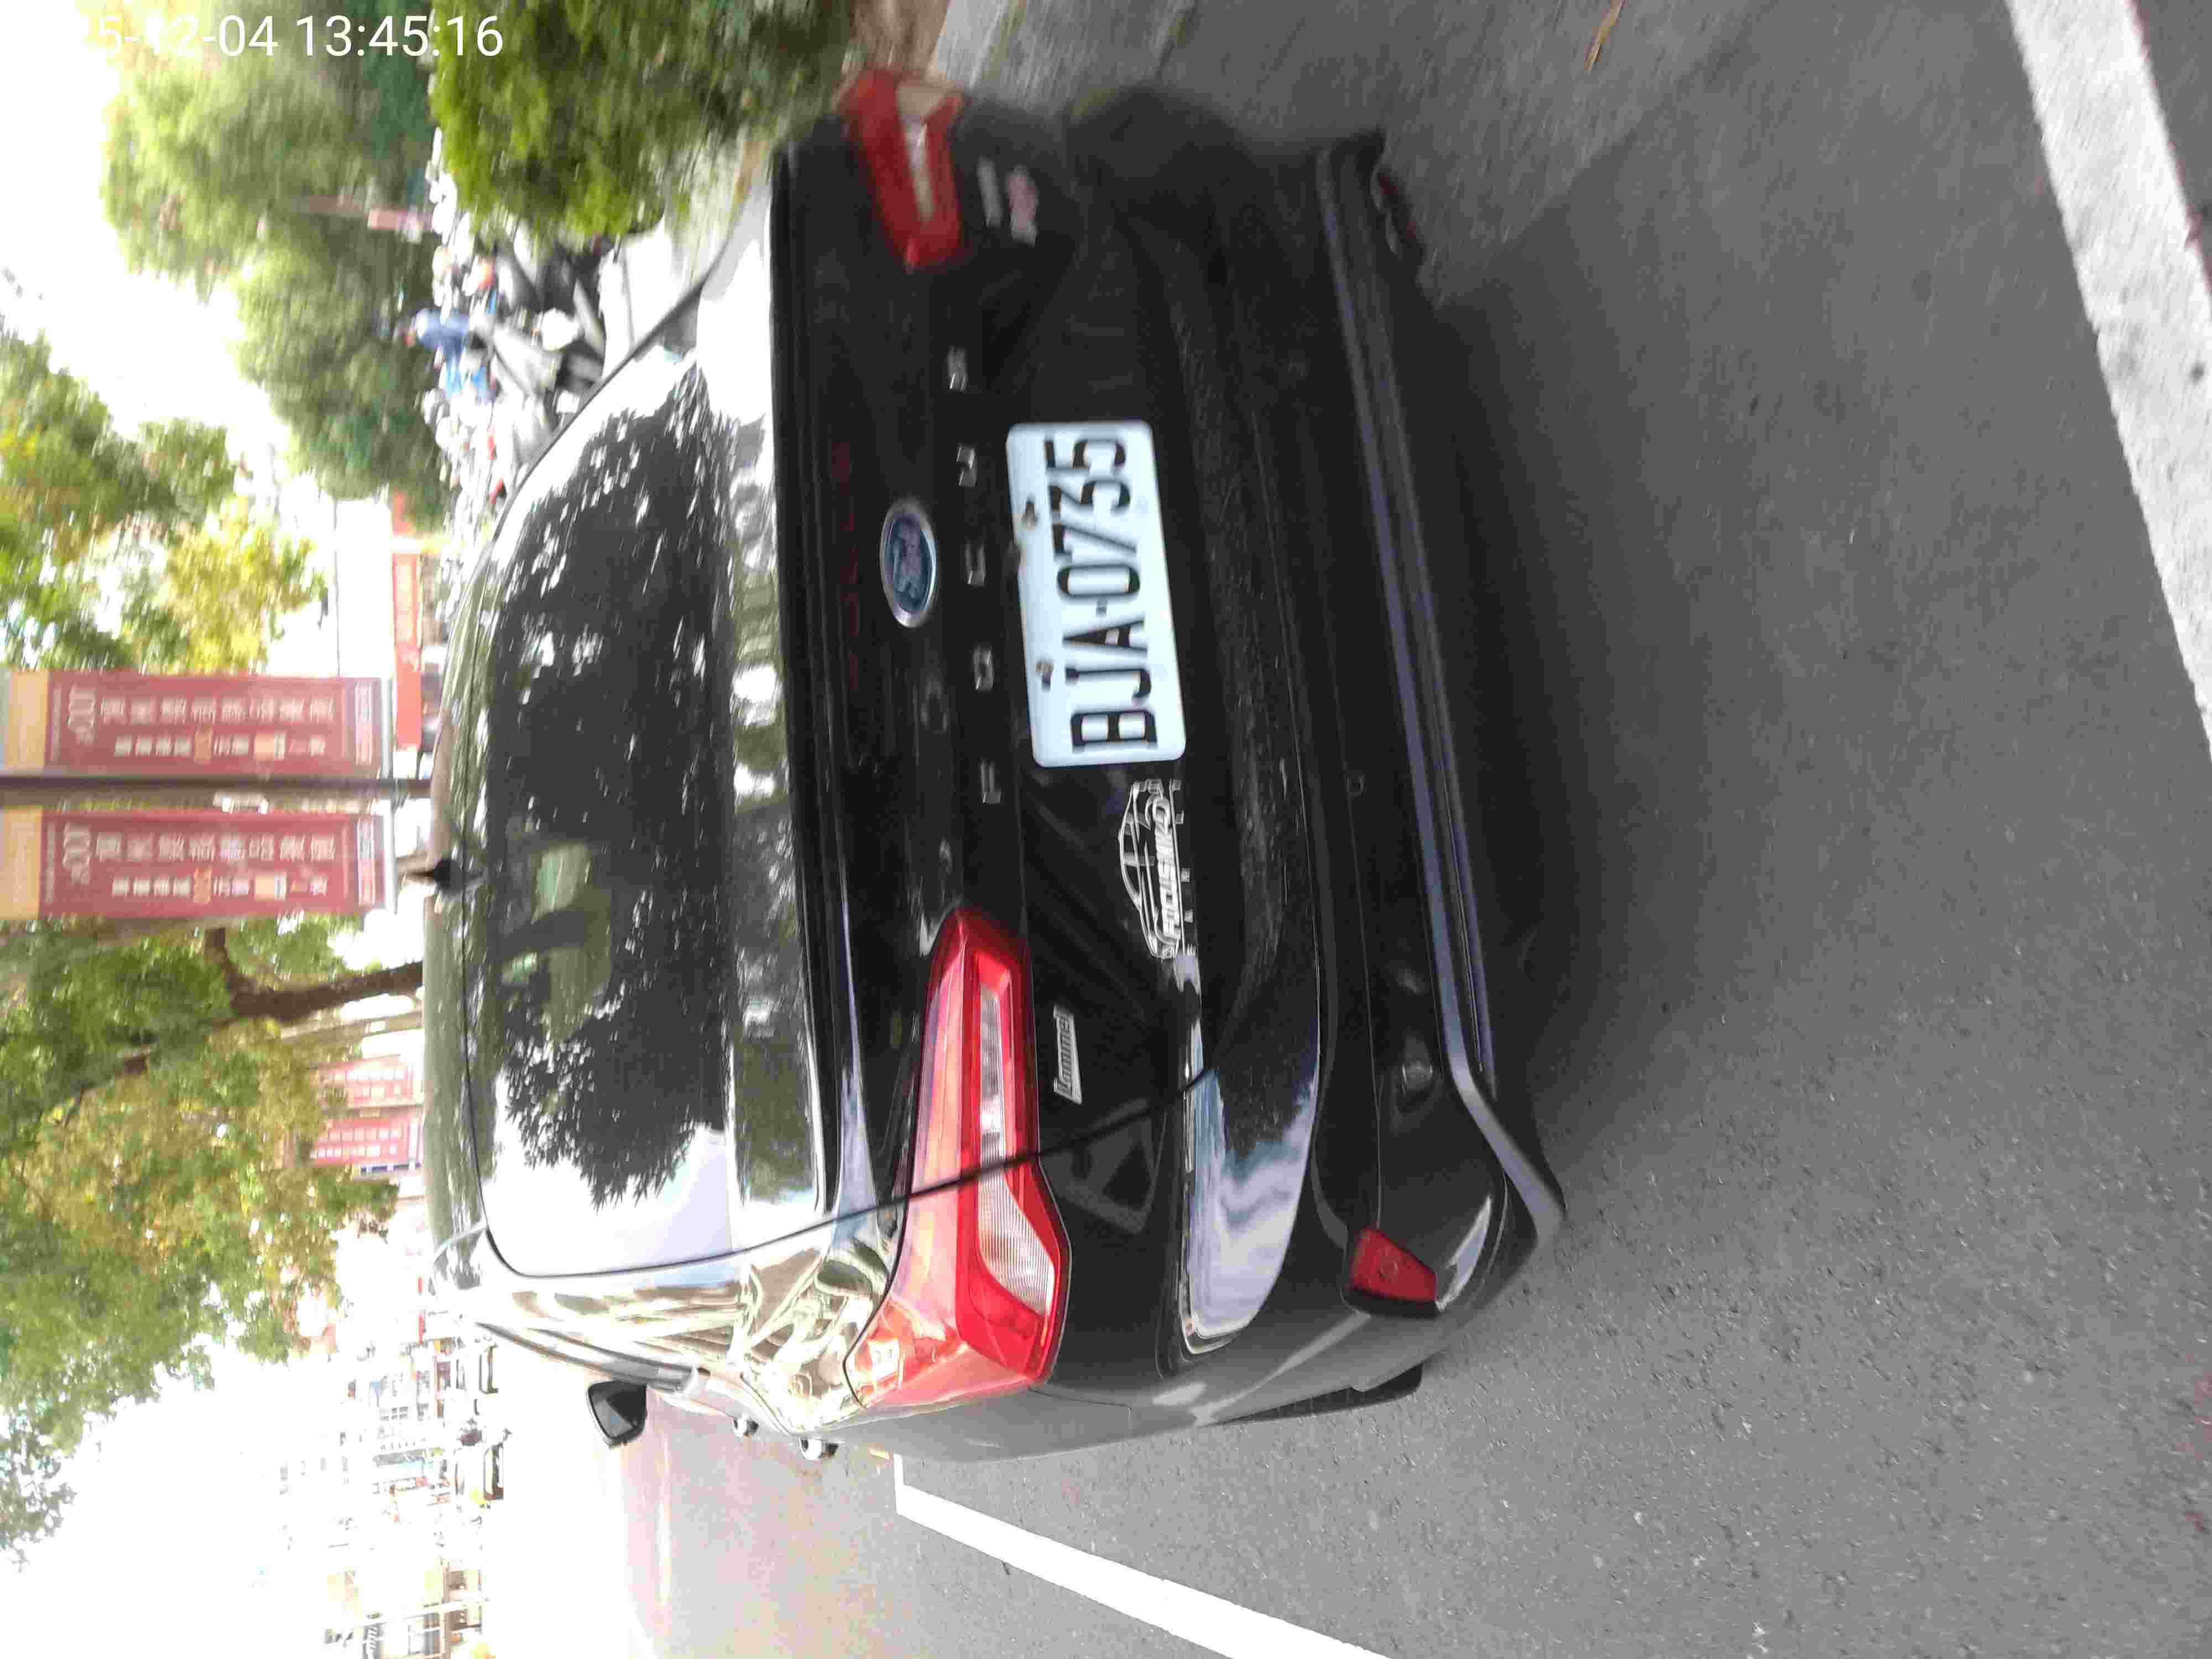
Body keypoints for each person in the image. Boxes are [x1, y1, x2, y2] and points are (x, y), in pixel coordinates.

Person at [406, 306, 476, 359]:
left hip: (458, 335)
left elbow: (441, 343)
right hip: (460, 322)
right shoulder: (422, 313)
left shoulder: (422, 336)